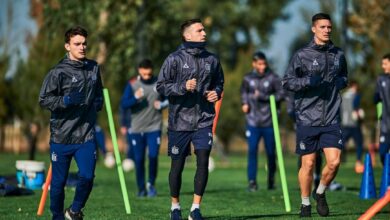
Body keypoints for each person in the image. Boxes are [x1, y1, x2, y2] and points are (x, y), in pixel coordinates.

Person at [156, 18, 224, 220]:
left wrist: (216, 93)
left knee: (203, 161)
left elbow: (219, 82)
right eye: (199, 30)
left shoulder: (212, 59)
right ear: (187, 35)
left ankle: (195, 209)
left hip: (204, 120)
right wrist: (182, 87)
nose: (204, 33)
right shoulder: (173, 59)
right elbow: (160, 86)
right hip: (179, 122)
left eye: (204, 30)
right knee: (177, 167)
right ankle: (175, 206)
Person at [282, 13, 348, 217]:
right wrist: (306, 83)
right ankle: (305, 204)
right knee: (308, 163)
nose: (327, 30)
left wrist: (340, 83)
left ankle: (319, 192)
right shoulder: (302, 55)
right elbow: (287, 82)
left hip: (331, 117)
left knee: (334, 162)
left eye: (329, 27)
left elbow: (345, 76)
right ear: (314, 29)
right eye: (322, 27)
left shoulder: (339, 54)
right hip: (307, 117)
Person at [39, 26, 103, 220]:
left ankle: (74, 211)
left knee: (87, 176)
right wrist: (65, 101)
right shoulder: (57, 72)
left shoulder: (94, 67)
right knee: (58, 184)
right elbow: (44, 99)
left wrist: (98, 101)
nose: (82, 47)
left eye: (84, 43)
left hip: (86, 135)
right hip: (61, 137)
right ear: (67, 46)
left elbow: (98, 91)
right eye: (77, 44)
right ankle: (57, 216)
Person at [120, 59, 168, 197]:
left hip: (154, 127)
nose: (147, 76)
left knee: (153, 156)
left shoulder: (159, 83)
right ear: (139, 71)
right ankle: (141, 188)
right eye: (144, 74)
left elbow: (168, 99)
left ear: (152, 71)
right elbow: (124, 104)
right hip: (137, 129)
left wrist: (163, 105)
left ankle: (150, 184)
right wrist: (135, 98)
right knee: (139, 159)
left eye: (149, 74)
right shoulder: (132, 84)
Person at [240, 51, 284, 191]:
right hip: (252, 122)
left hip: (269, 122)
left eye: (264, 63)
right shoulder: (247, 78)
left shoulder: (273, 78)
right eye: (259, 64)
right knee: (252, 151)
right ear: (254, 64)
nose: (262, 66)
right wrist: (245, 103)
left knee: (271, 153)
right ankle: (252, 182)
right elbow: (244, 92)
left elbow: (281, 94)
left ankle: (271, 180)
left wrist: (264, 96)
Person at [341, 80, 365, 172]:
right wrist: (360, 116)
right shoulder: (356, 96)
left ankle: (340, 159)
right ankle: (358, 162)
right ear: (354, 86)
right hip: (354, 124)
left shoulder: (343, 96)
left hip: (344, 124)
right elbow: (356, 108)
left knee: (342, 143)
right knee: (359, 143)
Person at [374, 53, 390, 165]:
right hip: (385, 124)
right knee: (383, 153)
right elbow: (376, 98)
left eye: (385, 63)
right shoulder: (381, 79)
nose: (382, 66)